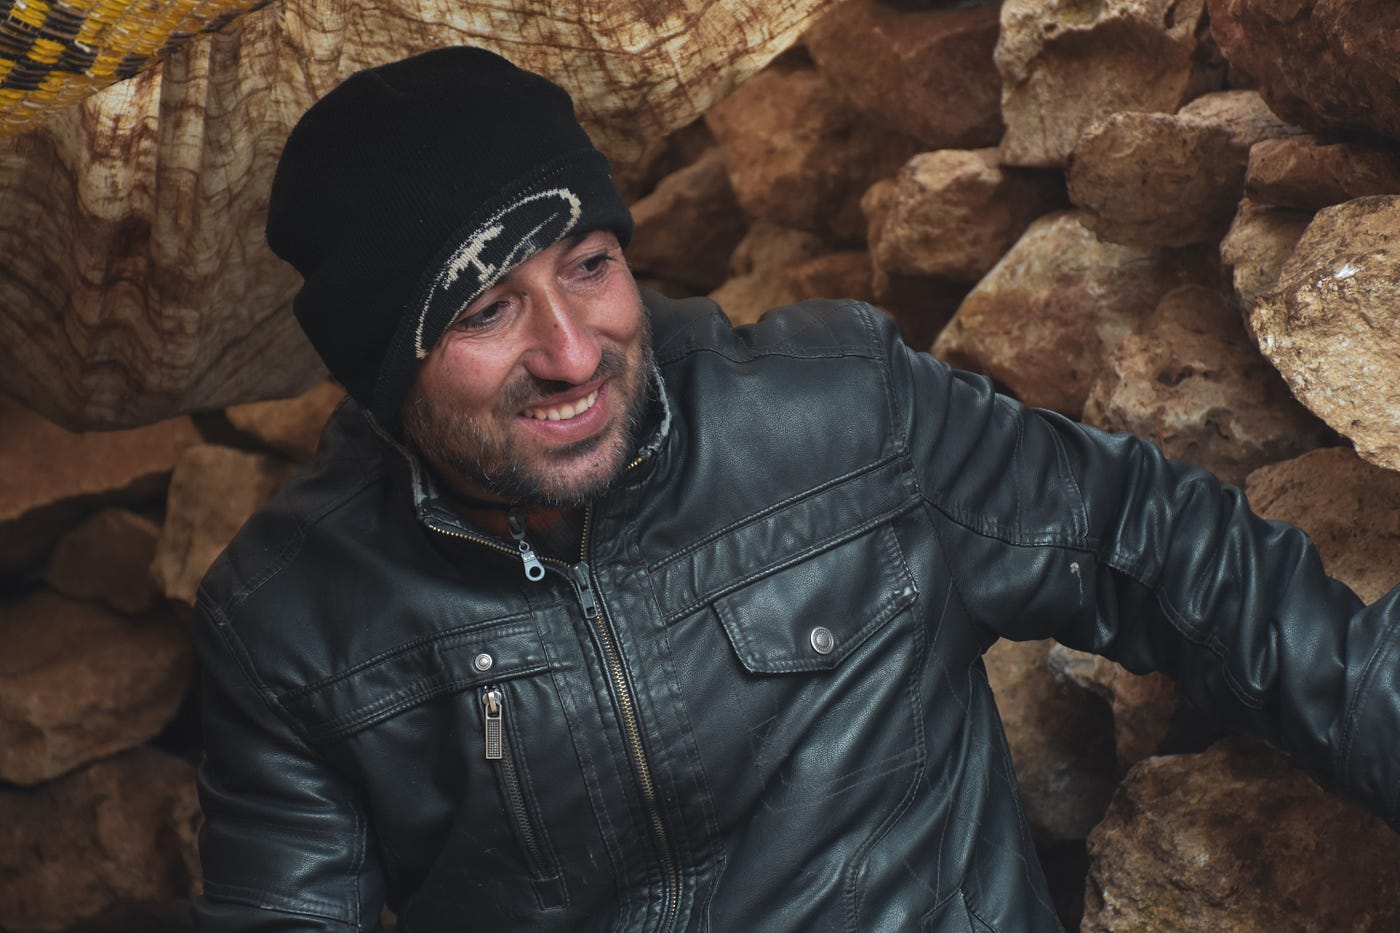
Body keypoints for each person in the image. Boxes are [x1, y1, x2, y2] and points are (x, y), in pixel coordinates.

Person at [192, 46, 1400, 932]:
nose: (570, 352)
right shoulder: (288, 622)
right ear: (380, 365)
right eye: (485, 311)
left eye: (589, 264)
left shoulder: (840, 412)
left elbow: (1162, 552)